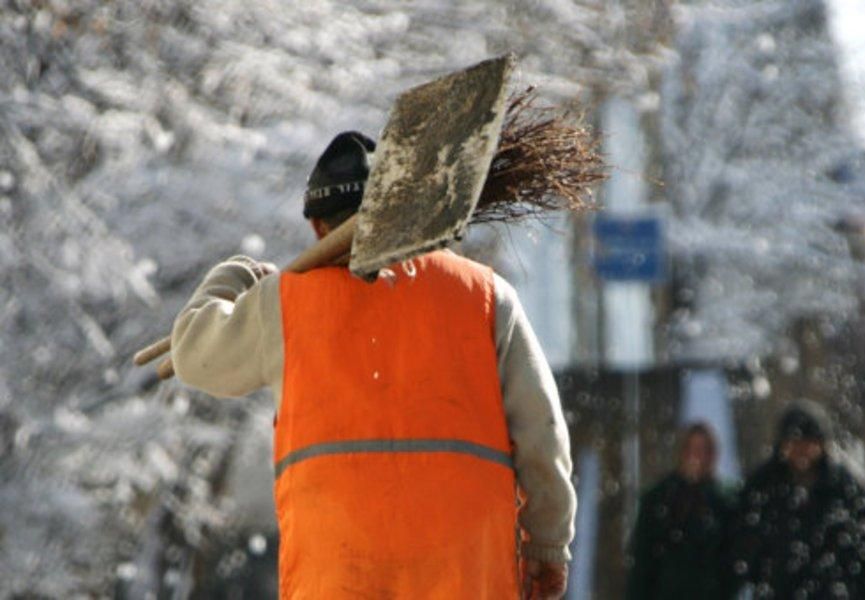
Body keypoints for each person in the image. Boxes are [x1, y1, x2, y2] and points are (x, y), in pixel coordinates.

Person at [170, 131, 577, 599]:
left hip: (339, 571)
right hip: (465, 572)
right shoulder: (485, 296)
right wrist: (547, 544)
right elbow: (541, 433)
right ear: (407, 213)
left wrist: (239, 274)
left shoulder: (282, 305)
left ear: (318, 229)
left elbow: (192, 353)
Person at [729, 400, 865, 599]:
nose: (801, 450)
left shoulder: (843, 488)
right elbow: (743, 544)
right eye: (794, 443)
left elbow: (856, 549)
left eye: (809, 443)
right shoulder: (762, 486)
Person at [626, 422, 737, 600]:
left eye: (704, 451)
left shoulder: (725, 503)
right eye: (693, 450)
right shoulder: (659, 500)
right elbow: (643, 564)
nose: (697, 457)